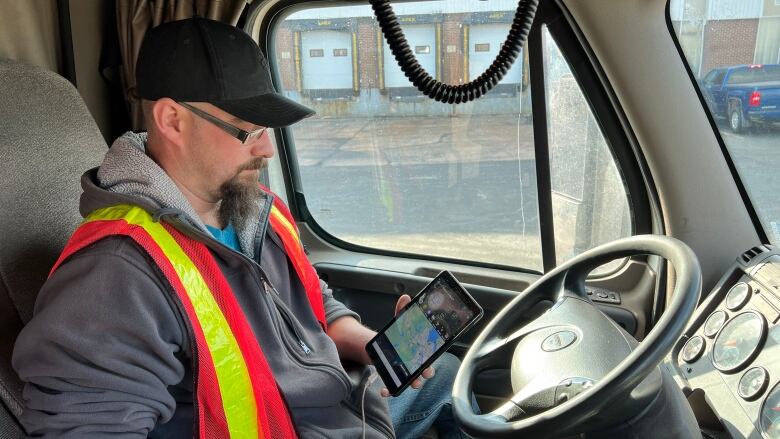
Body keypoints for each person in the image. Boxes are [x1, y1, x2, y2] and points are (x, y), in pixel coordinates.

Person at [12, 17, 468, 439]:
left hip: (345, 405)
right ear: (173, 120)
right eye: (248, 130)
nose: (268, 150)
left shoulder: (255, 209)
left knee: (446, 375)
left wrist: (371, 345)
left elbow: (313, 305)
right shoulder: (116, 273)